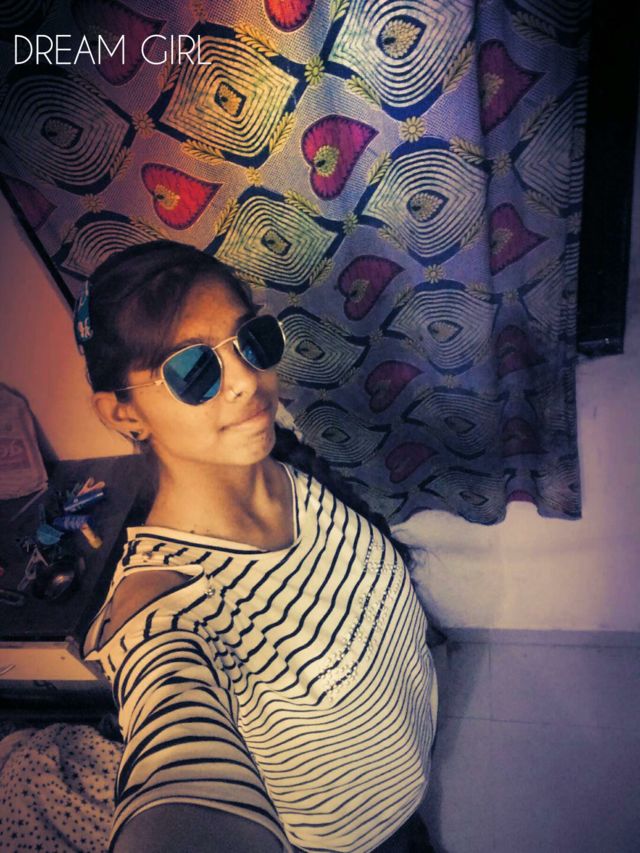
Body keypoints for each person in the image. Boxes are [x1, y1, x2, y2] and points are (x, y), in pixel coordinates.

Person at [79, 240, 439, 853]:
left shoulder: (290, 469)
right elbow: (175, 747)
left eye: (252, 340)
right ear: (123, 414)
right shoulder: (162, 606)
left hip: (410, 783)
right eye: (192, 369)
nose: (248, 380)